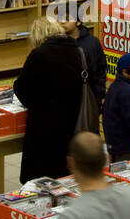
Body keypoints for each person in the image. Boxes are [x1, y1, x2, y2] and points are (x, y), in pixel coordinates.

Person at [13, 16, 86, 183]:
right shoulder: (80, 52)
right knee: (66, 179)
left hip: (44, 129)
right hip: (74, 125)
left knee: (41, 181)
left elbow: (22, 89)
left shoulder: (39, 55)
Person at [64, 20, 106, 107]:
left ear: (78, 22)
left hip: (89, 100)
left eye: (67, 18)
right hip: (65, 102)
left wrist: (98, 94)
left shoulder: (93, 42)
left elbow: (101, 69)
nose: (62, 21)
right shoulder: (59, 43)